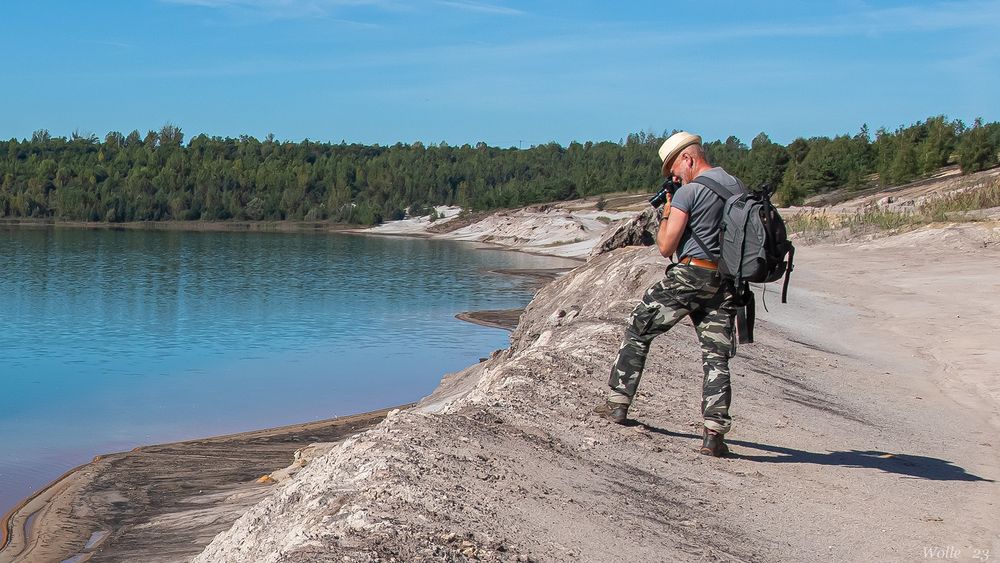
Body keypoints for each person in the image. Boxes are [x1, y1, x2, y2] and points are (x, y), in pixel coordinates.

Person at [597, 131, 746, 457]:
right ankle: (714, 433)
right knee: (716, 355)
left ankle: (618, 403)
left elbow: (666, 246)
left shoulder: (689, 193)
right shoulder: (736, 186)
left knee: (639, 326)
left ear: (689, 158)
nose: (673, 177)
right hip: (725, 281)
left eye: (674, 170)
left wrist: (668, 208)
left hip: (691, 274)